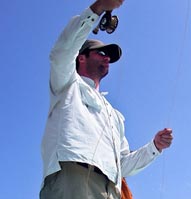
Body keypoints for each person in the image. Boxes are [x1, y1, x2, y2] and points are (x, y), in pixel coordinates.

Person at [39, 0, 173, 199]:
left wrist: (154, 147)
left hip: (111, 189)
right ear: (81, 58)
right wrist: (98, 8)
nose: (107, 58)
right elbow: (61, 52)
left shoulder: (114, 115)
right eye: (102, 53)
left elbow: (124, 163)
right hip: (74, 176)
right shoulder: (67, 84)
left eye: (109, 56)